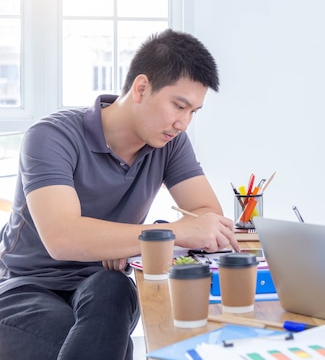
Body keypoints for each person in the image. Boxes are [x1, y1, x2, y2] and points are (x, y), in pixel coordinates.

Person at [0, 29, 241, 360]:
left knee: (113, 291)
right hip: (26, 287)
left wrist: (151, 234)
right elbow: (63, 238)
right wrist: (165, 234)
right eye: (178, 106)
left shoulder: (170, 144)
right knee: (98, 343)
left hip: (102, 283)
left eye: (193, 112)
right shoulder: (51, 136)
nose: (183, 123)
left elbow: (207, 217)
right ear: (141, 88)